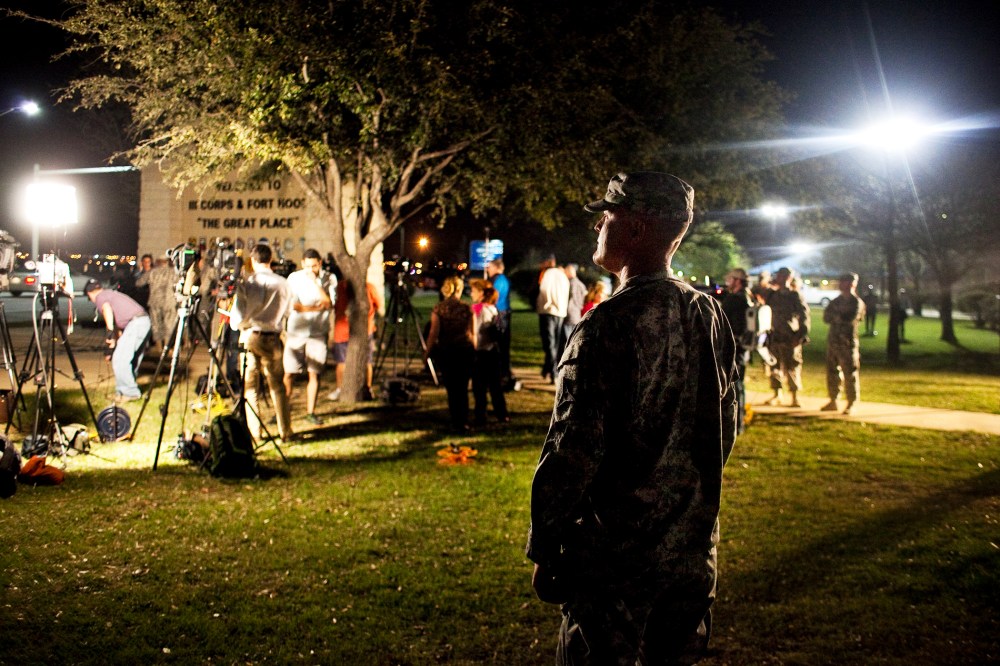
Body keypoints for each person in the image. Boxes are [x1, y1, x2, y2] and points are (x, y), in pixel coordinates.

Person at [527, 171, 737, 664]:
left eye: (609, 215)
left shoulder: (607, 325)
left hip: (615, 566)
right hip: (689, 556)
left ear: (637, 229)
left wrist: (546, 543)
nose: (599, 224)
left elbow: (572, 449)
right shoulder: (706, 315)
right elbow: (724, 430)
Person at [227, 243, 294, 442]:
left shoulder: (247, 283)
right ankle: (285, 431)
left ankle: (255, 432)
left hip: (250, 336)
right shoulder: (284, 283)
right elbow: (289, 311)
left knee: (250, 388)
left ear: (253, 260)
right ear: (270, 259)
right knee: (278, 387)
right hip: (273, 337)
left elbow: (237, 318)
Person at [283, 249, 336, 425]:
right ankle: (283, 410)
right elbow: (294, 305)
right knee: (289, 373)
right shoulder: (294, 278)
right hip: (296, 332)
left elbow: (328, 303)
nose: (310, 270)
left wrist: (315, 283)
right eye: (307, 266)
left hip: (317, 333)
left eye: (313, 266)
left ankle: (310, 412)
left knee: (314, 373)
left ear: (320, 263)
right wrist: (314, 308)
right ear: (302, 263)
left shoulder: (329, 278)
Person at [84, 279, 152, 402]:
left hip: (136, 323)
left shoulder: (100, 297)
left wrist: (109, 333)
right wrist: (114, 343)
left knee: (120, 360)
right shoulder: (111, 293)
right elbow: (118, 325)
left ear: (90, 293)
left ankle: (130, 393)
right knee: (131, 359)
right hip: (143, 321)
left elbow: (107, 309)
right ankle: (122, 392)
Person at [424, 275, 475, 432]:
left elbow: (434, 332)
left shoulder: (439, 309)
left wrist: (427, 351)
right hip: (464, 350)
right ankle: (464, 419)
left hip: (447, 351)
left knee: (452, 388)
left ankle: (455, 419)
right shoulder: (467, 308)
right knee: (462, 387)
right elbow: (471, 332)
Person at [328, 277, 382, 401]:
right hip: (351, 329)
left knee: (349, 361)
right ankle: (365, 388)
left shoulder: (344, 287)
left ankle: (357, 388)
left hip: (354, 329)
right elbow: (377, 305)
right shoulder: (364, 287)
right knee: (362, 360)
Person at [764, 266, 810, 407]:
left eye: (785, 276)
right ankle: (777, 394)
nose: (781, 278)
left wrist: (800, 335)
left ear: (789, 278)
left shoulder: (794, 295)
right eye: (780, 275)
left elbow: (804, 316)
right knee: (774, 366)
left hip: (790, 337)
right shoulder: (772, 295)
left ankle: (794, 396)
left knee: (792, 366)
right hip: (774, 336)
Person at [822, 272, 866, 415]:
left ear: (852, 284)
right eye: (842, 281)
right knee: (832, 372)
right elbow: (826, 317)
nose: (842, 284)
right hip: (833, 341)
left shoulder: (856, 302)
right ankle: (833, 400)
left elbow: (849, 318)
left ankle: (851, 402)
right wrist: (838, 316)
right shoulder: (836, 301)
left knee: (849, 373)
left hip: (847, 342)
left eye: (846, 282)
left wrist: (837, 316)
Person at [469, 278, 509, 426]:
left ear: (480, 293)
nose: (471, 293)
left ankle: (481, 415)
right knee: (495, 386)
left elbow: (474, 331)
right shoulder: (493, 308)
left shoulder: (477, 309)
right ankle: (502, 413)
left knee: (479, 388)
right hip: (493, 351)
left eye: (473, 291)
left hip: (480, 351)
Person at [722, 267, 754, 434]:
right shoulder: (748, 297)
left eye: (731, 278)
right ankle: (739, 422)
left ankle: (736, 424)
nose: (728, 281)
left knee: (735, 386)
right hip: (743, 348)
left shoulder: (735, 299)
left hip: (735, 348)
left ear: (738, 281)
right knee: (739, 385)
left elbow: (722, 317)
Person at [536, 255, 569, 383]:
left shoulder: (548, 273)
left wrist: (542, 305)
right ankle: (547, 369)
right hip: (560, 312)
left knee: (549, 343)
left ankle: (553, 371)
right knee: (555, 342)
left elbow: (543, 290)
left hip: (548, 310)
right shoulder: (562, 275)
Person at [486, 258, 516, 390]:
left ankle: (501, 373)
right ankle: (505, 372)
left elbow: (493, 298)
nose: (487, 269)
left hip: (498, 315)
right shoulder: (505, 279)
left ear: (496, 267)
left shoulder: (495, 280)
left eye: (489, 267)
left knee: (497, 345)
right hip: (506, 314)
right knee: (504, 346)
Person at [136, 257, 179, 350]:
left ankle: (159, 347)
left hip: (155, 302)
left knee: (156, 325)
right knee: (169, 324)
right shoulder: (174, 272)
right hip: (169, 302)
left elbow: (139, 283)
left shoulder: (152, 272)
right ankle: (168, 348)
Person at [562, 263, 587, 344]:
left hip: (569, 314)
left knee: (568, 340)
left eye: (565, 272)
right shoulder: (581, 285)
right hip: (577, 314)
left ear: (570, 272)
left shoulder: (570, 284)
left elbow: (569, 299)